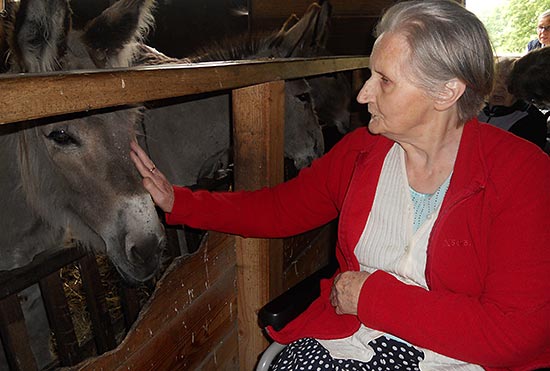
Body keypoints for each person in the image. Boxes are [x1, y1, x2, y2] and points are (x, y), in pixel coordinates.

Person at [131, 1, 550, 370]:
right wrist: (180, 202)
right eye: (370, 75)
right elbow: (279, 208)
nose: (363, 95)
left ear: (446, 92)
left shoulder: (523, 175)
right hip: (355, 338)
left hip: (462, 359)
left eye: (384, 80)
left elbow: (517, 334)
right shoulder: (362, 153)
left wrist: (372, 298)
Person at [478, 57, 547, 149]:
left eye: (506, 84)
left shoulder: (532, 120)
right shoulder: (470, 109)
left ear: (519, 88)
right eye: (495, 82)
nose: (499, 89)